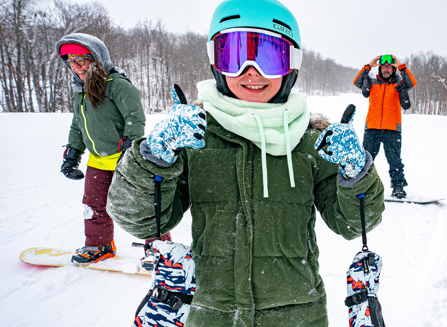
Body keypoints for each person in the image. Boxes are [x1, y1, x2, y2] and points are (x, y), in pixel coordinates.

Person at [106, 0, 385, 325]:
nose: (251, 72)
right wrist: (155, 155)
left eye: (268, 56)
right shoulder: (195, 137)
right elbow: (139, 220)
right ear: (216, 63)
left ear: (290, 65)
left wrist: (356, 172)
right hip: (212, 316)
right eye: (235, 55)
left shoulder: (310, 140)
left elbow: (353, 224)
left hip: (297, 318)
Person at [56, 33, 170, 265]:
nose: (76, 67)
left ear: (97, 59)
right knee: (94, 206)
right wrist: (72, 154)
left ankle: (159, 250)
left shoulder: (117, 85)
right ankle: (99, 246)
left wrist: (130, 145)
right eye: (72, 61)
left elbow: (135, 118)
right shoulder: (80, 91)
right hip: (97, 161)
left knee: (141, 207)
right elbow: (78, 124)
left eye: (82, 60)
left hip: (124, 160)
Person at [353, 54, 416, 199]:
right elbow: (357, 82)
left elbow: (411, 83)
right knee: (365, 159)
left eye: (389, 66)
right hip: (372, 128)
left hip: (392, 128)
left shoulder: (399, 84)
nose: (386, 69)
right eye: (383, 67)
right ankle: (360, 186)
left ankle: (398, 187)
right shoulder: (372, 83)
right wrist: (368, 65)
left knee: (394, 160)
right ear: (379, 68)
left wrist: (401, 66)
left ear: (393, 69)